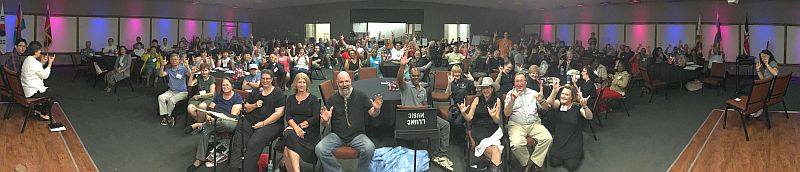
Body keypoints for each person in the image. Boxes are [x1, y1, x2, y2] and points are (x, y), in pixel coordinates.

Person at [316, 71, 383, 172]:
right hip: (337, 135)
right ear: (337, 83)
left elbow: (373, 113)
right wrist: (325, 121)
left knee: (370, 148)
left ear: (350, 81)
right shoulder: (332, 100)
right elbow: (325, 123)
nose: (344, 85)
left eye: (346, 81)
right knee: (320, 149)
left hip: (357, 135)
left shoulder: (361, 96)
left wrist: (377, 109)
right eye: (341, 82)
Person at [397, 55, 454, 171]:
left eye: (418, 75)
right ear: (410, 77)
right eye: (413, 76)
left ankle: (442, 154)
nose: (416, 77)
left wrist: (428, 111)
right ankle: (434, 154)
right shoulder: (406, 87)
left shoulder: (423, 90)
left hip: (424, 116)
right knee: (436, 126)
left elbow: (424, 105)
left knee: (445, 124)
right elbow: (399, 79)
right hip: (411, 118)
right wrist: (402, 66)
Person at [186, 77, 243, 171]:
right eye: (223, 85)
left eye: (227, 85)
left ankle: (200, 125)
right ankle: (199, 159)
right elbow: (210, 109)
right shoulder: (219, 96)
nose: (225, 87)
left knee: (217, 123)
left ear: (232, 86)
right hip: (215, 122)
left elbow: (233, 116)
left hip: (230, 123)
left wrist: (215, 119)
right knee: (206, 130)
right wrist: (208, 116)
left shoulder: (237, 97)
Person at [239, 70, 286, 171]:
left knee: (254, 143)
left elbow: (279, 113)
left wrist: (263, 123)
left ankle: (247, 169)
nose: (265, 81)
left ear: (272, 80)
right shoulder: (256, 91)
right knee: (240, 137)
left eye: (268, 79)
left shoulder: (278, 93)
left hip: (272, 124)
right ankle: (236, 166)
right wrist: (254, 105)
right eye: (263, 78)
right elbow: (246, 107)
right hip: (252, 120)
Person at [504, 73, 552, 172]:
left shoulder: (533, 93)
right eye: (517, 81)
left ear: (526, 82)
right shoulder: (510, 94)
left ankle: (535, 163)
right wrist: (512, 100)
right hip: (517, 125)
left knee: (547, 138)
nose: (519, 83)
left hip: (534, 123)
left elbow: (546, 108)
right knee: (516, 144)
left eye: (522, 81)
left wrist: (542, 100)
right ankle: (527, 163)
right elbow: (506, 114)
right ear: (514, 83)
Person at [457, 77, 504, 172]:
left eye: (488, 88)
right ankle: (497, 167)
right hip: (478, 130)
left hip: (493, 129)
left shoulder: (497, 100)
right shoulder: (477, 99)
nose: (486, 90)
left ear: (492, 88)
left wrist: (493, 115)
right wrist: (463, 113)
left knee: (495, 149)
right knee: (495, 152)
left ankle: (494, 167)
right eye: (483, 88)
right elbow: (469, 118)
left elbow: (497, 121)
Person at [543, 83, 593, 171]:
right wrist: (554, 91)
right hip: (560, 139)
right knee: (554, 162)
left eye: (566, 95)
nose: (563, 96)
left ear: (571, 97)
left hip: (573, 140)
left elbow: (589, 116)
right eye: (562, 94)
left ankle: (579, 152)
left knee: (571, 166)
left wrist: (585, 106)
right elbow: (548, 104)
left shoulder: (577, 107)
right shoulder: (558, 104)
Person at [282, 73, 321, 172]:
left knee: (287, 147)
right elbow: (288, 116)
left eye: (304, 82)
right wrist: (296, 128)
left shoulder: (313, 99)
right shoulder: (291, 98)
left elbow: (316, 118)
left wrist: (300, 126)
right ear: (295, 84)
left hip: (309, 132)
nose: (301, 84)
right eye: (299, 82)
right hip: (294, 130)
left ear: (307, 85)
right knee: (289, 135)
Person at [20, 41, 55, 121]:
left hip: (26, 89)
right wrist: (49, 64)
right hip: (32, 92)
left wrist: (42, 62)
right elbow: (44, 75)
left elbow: (35, 70)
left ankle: (38, 109)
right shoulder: (35, 63)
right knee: (52, 93)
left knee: (47, 90)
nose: (40, 51)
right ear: (35, 51)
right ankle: (43, 113)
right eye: (39, 50)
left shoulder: (27, 60)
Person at [157, 53, 192, 127]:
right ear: (170, 61)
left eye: (176, 59)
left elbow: (190, 75)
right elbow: (161, 75)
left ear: (179, 60)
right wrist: (162, 65)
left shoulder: (182, 68)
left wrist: (187, 66)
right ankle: (167, 116)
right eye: (172, 59)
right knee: (161, 97)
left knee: (171, 100)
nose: (174, 61)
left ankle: (167, 116)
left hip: (182, 92)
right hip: (171, 91)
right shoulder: (169, 70)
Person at [185, 63, 216, 133]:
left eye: (206, 70)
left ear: (209, 71)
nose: (204, 72)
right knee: (190, 108)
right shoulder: (199, 77)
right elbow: (190, 84)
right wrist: (192, 73)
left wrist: (200, 96)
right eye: (202, 70)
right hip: (198, 98)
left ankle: (198, 126)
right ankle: (202, 125)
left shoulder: (211, 78)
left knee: (201, 106)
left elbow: (212, 93)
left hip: (208, 97)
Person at [749, 50, 780, 118]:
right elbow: (763, 79)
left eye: (764, 56)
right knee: (754, 89)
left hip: (771, 88)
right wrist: (758, 70)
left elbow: (776, 73)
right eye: (761, 58)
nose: (763, 59)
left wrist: (767, 65)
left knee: (755, 91)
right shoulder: (767, 66)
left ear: (769, 55)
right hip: (767, 86)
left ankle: (758, 109)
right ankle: (757, 108)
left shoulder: (772, 63)